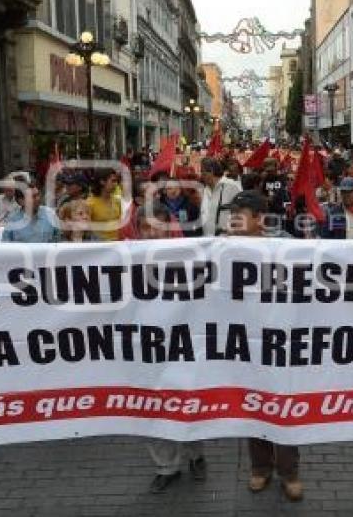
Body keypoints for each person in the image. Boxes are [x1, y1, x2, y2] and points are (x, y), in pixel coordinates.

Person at [227, 190, 302, 501]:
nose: (232, 221)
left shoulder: (284, 244)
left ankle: (290, 472)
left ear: (258, 219)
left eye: (239, 215)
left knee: (282, 404)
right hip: (243, 339)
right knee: (253, 405)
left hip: (279, 336)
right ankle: (260, 469)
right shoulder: (222, 247)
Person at [137, 202, 207, 493]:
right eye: (146, 227)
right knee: (152, 406)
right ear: (138, 230)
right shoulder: (124, 258)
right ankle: (166, 467)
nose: (152, 232)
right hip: (145, 344)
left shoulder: (190, 255)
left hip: (184, 342)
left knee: (187, 401)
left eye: (158, 225)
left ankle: (196, 454)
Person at [200, 158, 241, 236]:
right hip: (207, 239)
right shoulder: (205, 190)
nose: (201, 175)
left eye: (203, 172)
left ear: (211, 171)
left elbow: (242, 212)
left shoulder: (231, 186)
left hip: (226, 241)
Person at [87, 170, 123, 241]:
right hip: (100, 245)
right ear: (102, 182)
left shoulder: (117, 201)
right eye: (113, 181)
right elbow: (87, 229)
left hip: (118, 243)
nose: (116, 184)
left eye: (116, 181)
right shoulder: (90, 203)